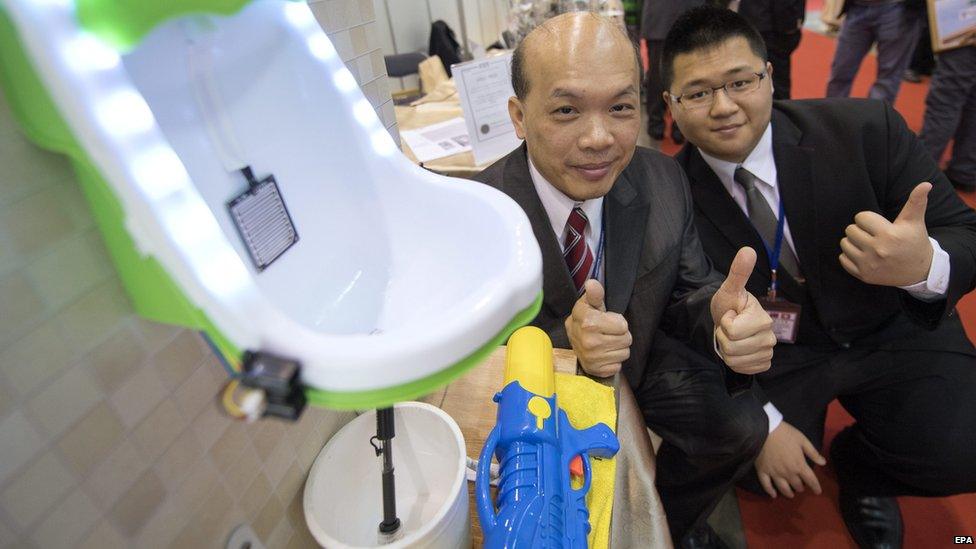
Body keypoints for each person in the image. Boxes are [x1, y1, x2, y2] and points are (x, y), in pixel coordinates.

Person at [664, 6, 976, 547]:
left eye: (741, 82)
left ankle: (864, 470)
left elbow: (963, 230)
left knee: (963, 450)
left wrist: (924, 265)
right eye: (697, 93)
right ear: (670, 103)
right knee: (748, 466)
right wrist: (762, 421)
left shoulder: (865, 130)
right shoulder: (668, 195)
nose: (724, 107)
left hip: (892, 329)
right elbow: (678, 322)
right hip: (781, 356)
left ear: (769, 74)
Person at [472, 12, 777, 547]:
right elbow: (474, 354)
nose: (599, 139)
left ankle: (677, 522)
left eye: (620, 108)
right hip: (542, 388)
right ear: (519, 117)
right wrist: (568, 345)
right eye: (566, 110)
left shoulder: (661, 178)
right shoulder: (481, 213)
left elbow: (688, 291)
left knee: (742, 427)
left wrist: (722, 317)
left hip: (643, 357)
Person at [825, 0, 926, 104]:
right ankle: (833, 116)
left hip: (899, 9)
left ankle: (875, 119)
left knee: (887, 80)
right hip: (857, 7)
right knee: (840, 70)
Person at [641, 0, 705, 142]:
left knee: (678, 75)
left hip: (672, 17)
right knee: (676, 75)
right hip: (672, 17)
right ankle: (666, 125)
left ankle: (662, 125)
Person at [919, 35, 976, 192]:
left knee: (944, 104)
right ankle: (964, 170)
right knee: (971, 103)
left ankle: (920, 172)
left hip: (966, 34)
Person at [737, 0, 806, 100]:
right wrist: (790, 25)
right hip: (772, 29)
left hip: (752, 21)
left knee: (751, 77)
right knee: (776, 82)